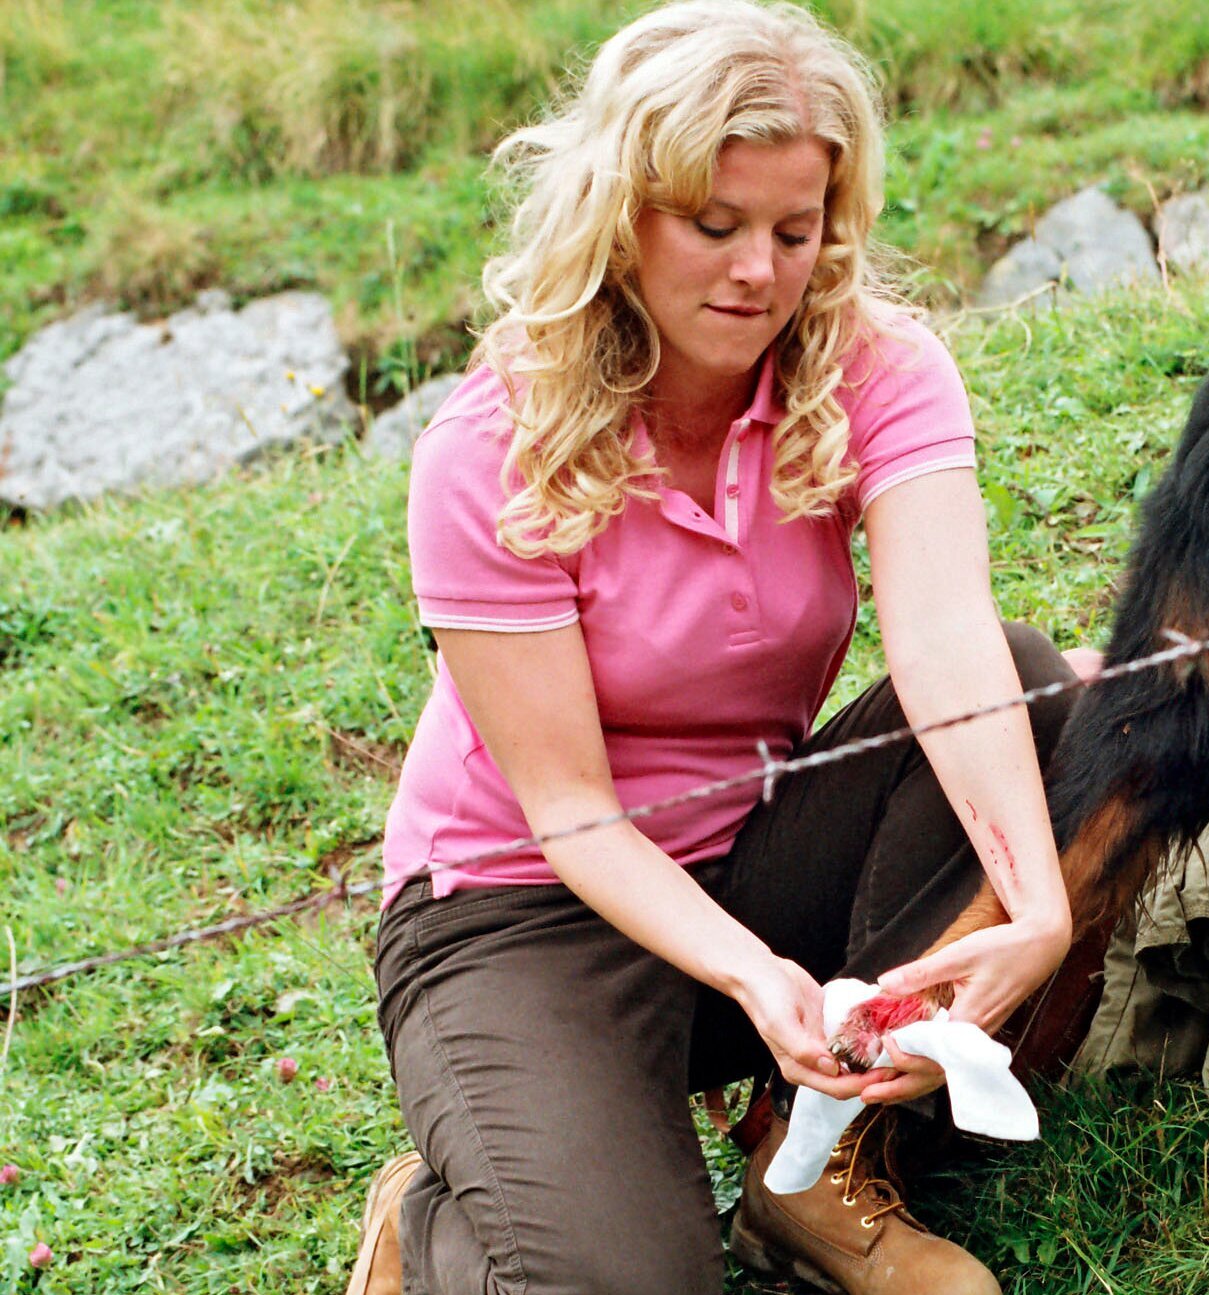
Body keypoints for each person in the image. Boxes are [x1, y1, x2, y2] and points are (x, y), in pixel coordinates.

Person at [347, 4, 1084, 1292]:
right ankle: (442, 1215)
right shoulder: (486, 449)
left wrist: (1036, 904)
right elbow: (569, 809)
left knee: (1029, 680)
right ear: (620, 216)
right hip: (515, 916)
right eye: (714, 225)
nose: (760, 271)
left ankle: (821, 1169)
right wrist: (754, 976)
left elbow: (949, 637)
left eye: (795, 232)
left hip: (747, 857)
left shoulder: (877, 366)